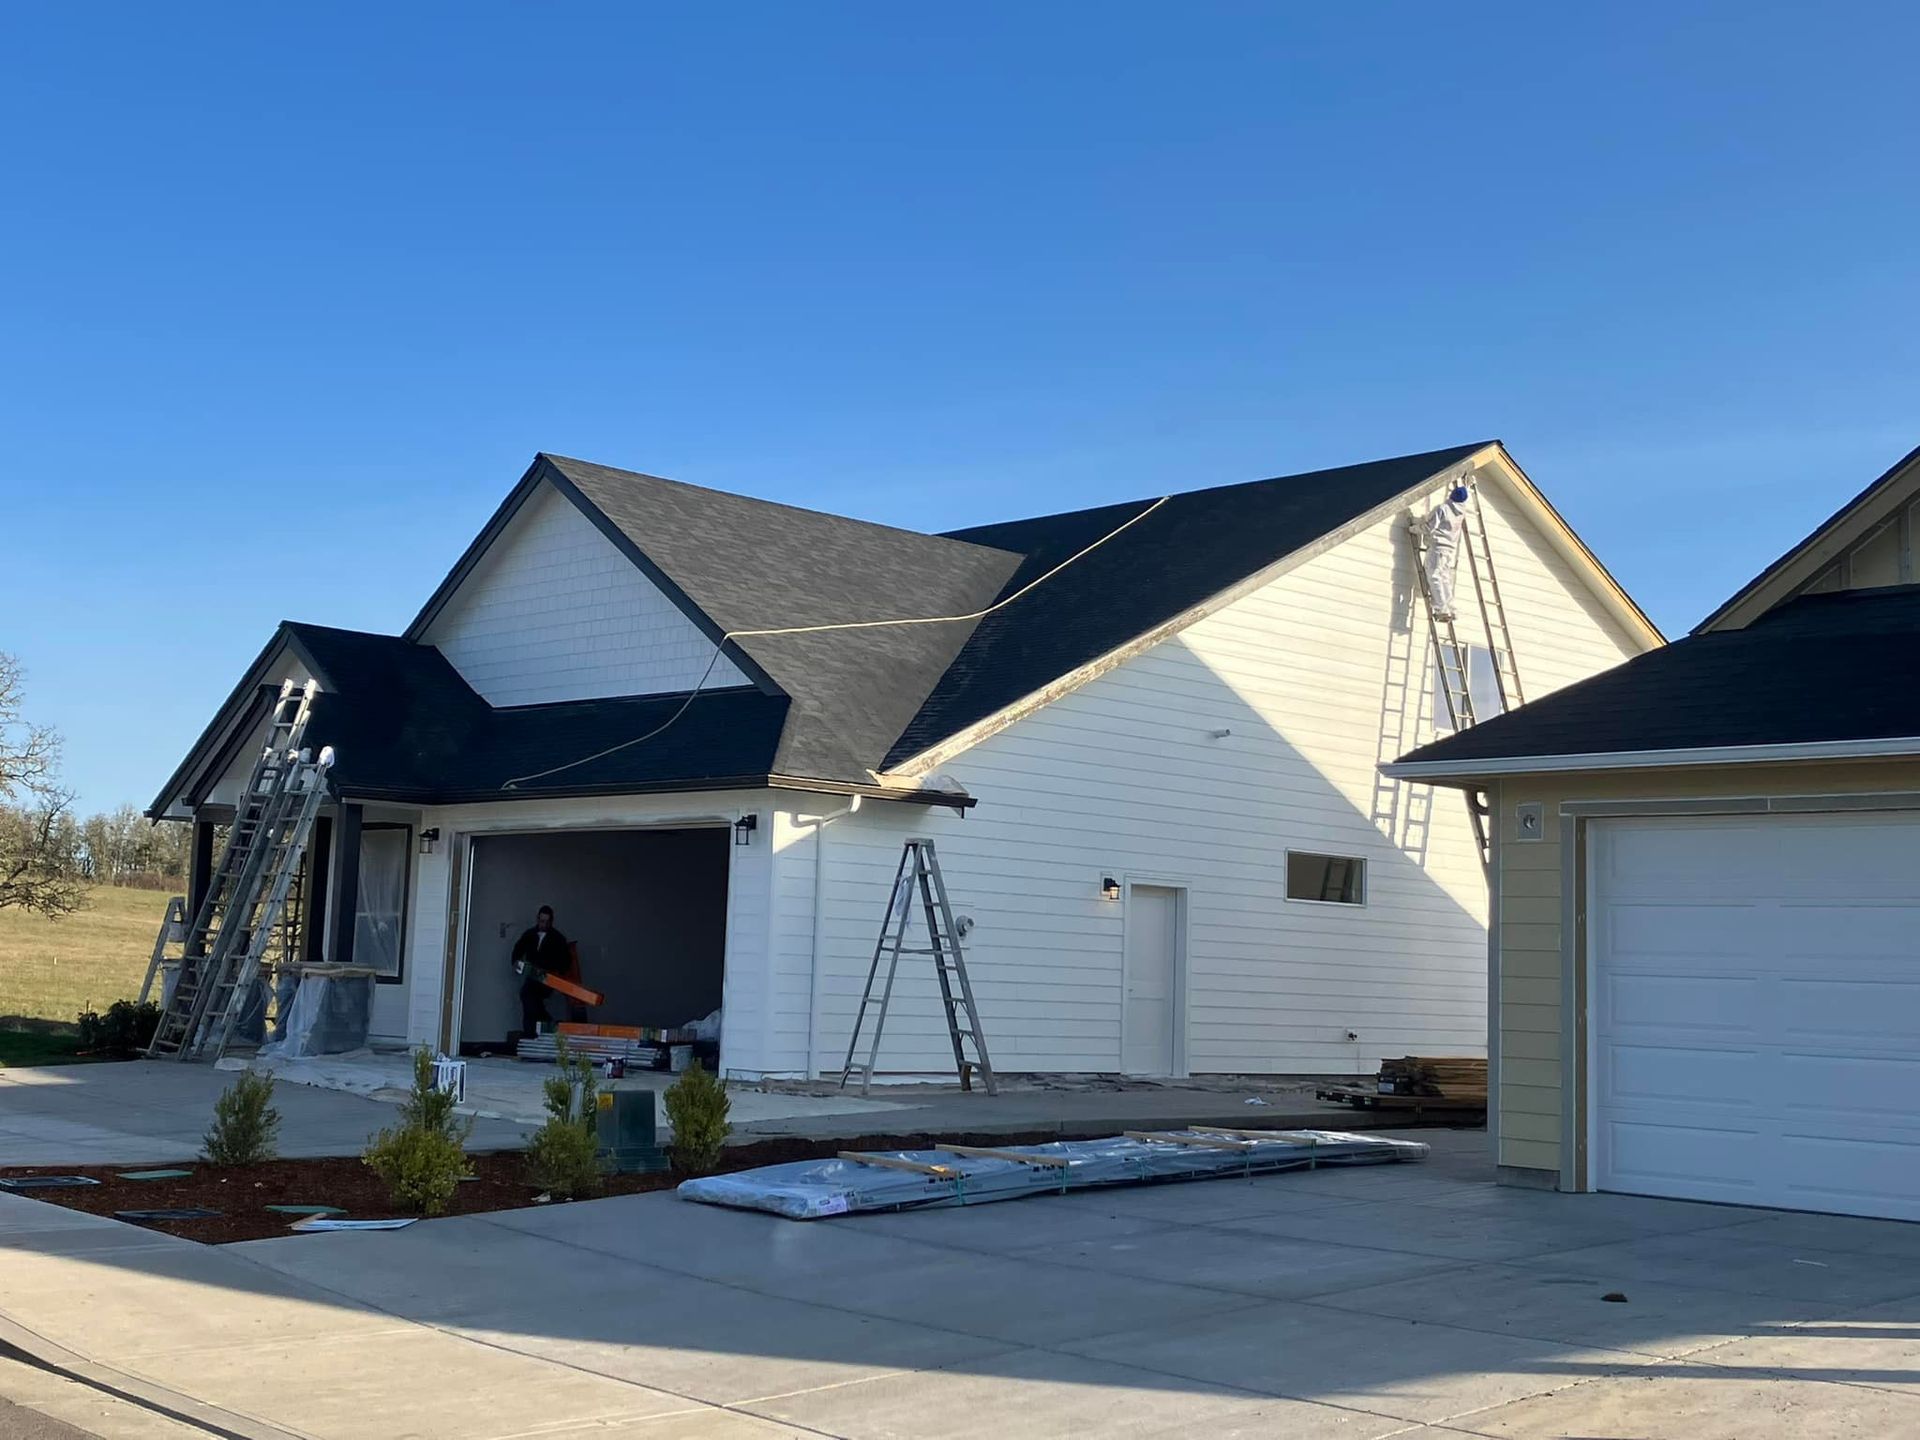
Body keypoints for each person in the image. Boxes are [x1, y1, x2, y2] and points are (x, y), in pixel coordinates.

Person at [511, 905, 570, 1040]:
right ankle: (541, 1027)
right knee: (528, 1000)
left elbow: (565, 960)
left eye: (546, 921)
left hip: (547, 978)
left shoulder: (558, 939)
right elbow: (518, 948)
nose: (543, 924)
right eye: (541, 921)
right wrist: (515, 962)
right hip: (532, 976)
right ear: (538, 919)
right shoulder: (530, 934)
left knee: (529, 997)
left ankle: (534, 1031)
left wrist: (557, 972)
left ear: (551, 921)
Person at [1422, 484, 1471, 621]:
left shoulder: (1443, 509)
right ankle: (1451, 608)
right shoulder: (1461, 513)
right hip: (1449, 550)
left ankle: (1441, 608)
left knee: (1434, 576)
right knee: (1445, 578)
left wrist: (1413, 528)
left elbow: (1429, 527)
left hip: (1438, 547)